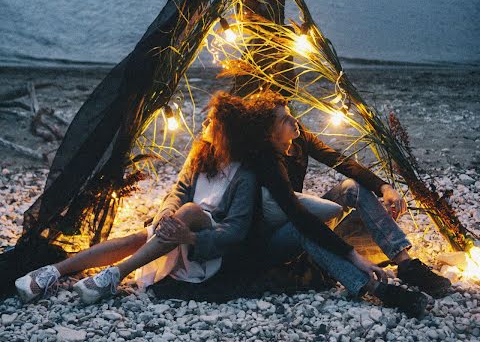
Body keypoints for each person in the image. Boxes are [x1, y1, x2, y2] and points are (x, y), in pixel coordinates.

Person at [15, 92, 257, 305]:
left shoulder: (245, 176)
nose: (205, 123)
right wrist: (165, 215)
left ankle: (116, 273)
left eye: (212, 120)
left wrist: (191, 237)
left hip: (205, 244)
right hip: (177, 228)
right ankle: (52, 272)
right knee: (135, 239)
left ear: (226, 131)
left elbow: (236, 230)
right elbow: (178, 192)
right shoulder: (200, 156)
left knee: (192, 210)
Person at [245, 91, 451, 319]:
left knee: (350, 187)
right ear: (269, 133)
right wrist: (353, 255)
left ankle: (407, 265)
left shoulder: (299, 138)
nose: (295, 121)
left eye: (291, 114)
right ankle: (378, 289)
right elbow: (300, 218)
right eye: (285, 120)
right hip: (274, 241)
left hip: (300, 219)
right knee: (303, 229)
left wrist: (383, 187)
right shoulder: (268, 162)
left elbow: (338, 160)